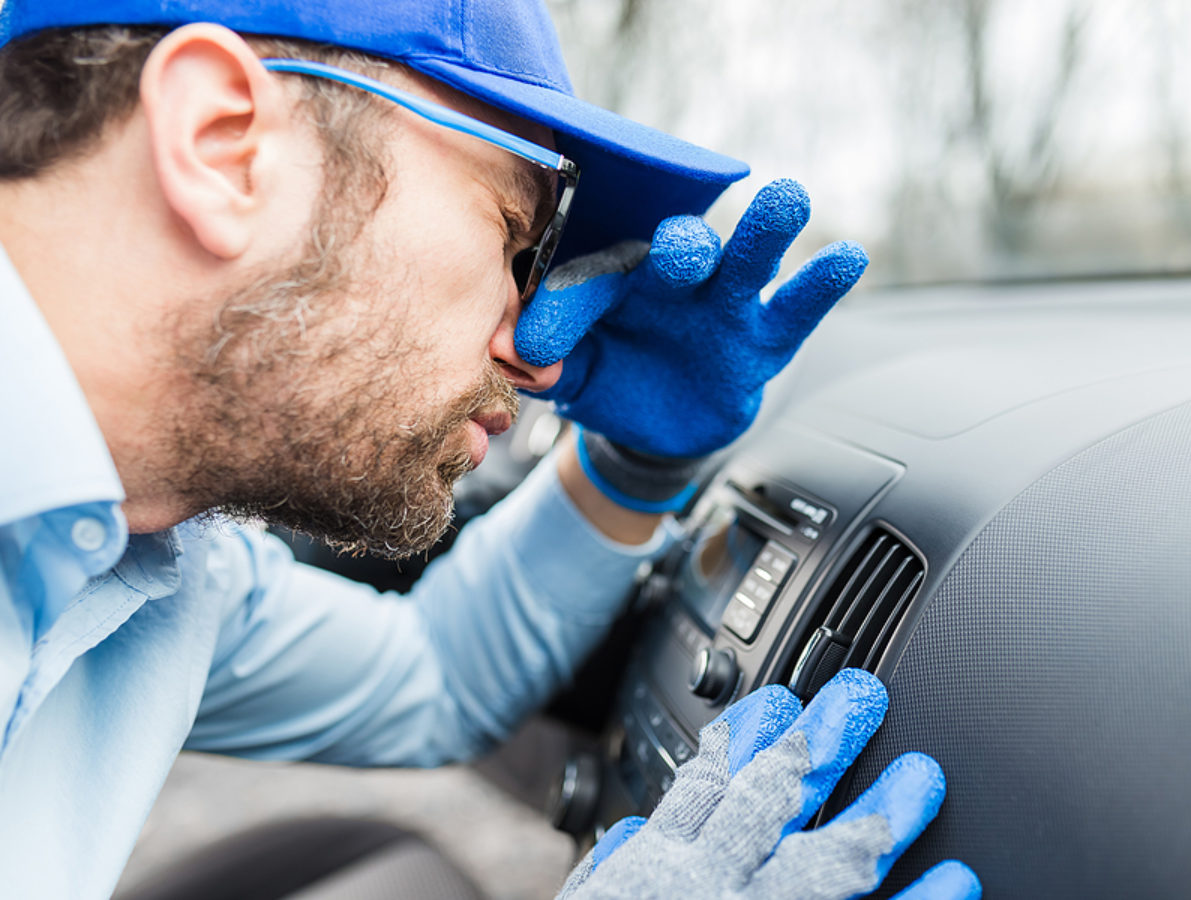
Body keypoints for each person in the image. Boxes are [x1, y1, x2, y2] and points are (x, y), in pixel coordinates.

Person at [0, 1, 981, 898]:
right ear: (222, 143)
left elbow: (432, 677)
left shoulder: (149, 562)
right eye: (518, 237)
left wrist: (632, 471)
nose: (529, 344)